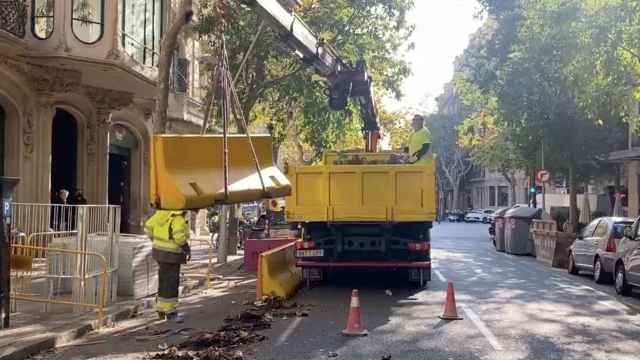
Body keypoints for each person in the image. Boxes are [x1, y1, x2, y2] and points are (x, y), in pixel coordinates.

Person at [144, 209, 191, 320]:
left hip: (159, 252)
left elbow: (148, 226)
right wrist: (186, 248)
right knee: (171, 283)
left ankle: (161, 308)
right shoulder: (178, 218)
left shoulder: (161, 213)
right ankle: (171, 311)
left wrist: (155, 240)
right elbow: (179, 237)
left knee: (164, 280)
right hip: (172, 254)